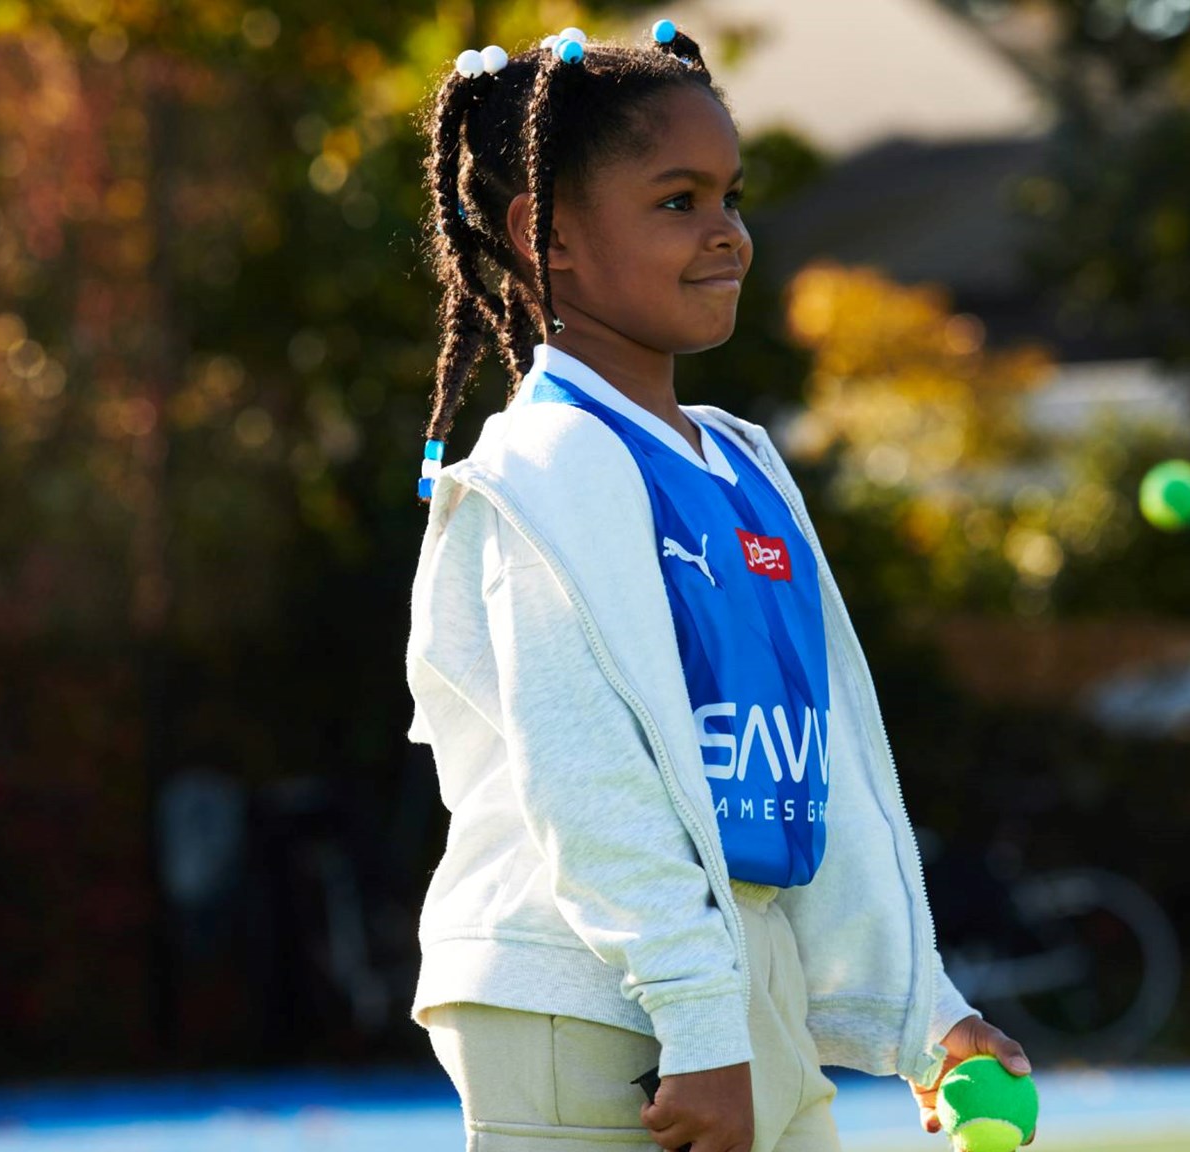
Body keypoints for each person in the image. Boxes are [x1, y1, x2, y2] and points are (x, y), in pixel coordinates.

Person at [403, 20, 1032, 1152]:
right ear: (542, 239)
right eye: (674, 201)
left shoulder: (740, 464)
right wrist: (698, 1027)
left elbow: (821, 761)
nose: (725, 235)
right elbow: (583, 777)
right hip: (588, 1000)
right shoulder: (546, 468)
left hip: (730, 991)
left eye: (730, 198)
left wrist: (925, 1013)